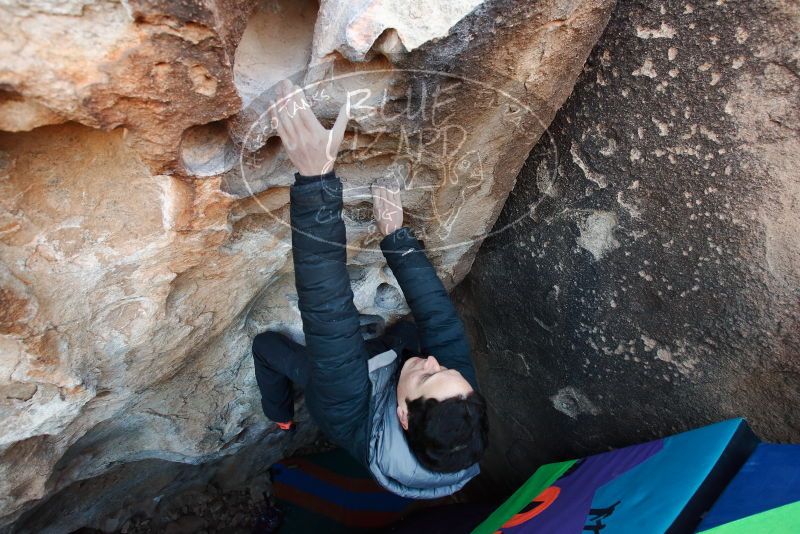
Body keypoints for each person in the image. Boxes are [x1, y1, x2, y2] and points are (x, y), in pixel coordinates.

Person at [251, 80, 488, 498]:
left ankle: (281, 415)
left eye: (428, 375)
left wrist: (315, 181)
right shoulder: (456, 405)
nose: (435, 361)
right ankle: (389, 360)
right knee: (413, 336)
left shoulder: (348, 407)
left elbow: (328, 309)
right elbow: (441, 322)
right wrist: (396, 239)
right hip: (386, 369)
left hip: (341, 395)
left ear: (403, 417)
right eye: (447, 370)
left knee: (268, 348)